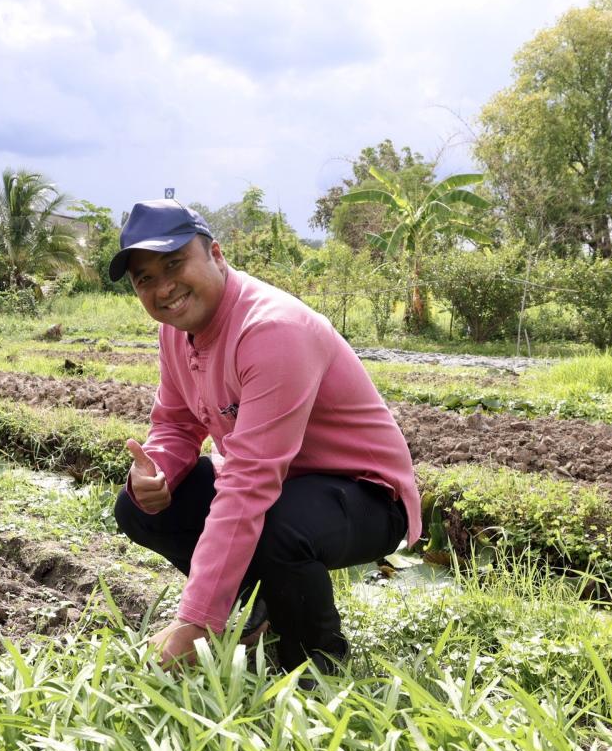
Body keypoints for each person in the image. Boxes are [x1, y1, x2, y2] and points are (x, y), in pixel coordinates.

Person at [111, 199, 422, 674]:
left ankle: (314, 666)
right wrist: (158, 470)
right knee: (139, 507)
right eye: (145, 279)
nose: (164, 287)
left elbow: (250, 483)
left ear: (215, 254)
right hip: (283, 487)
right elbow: (176, 422)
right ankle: (256, 604)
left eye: (174, 264)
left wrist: (195, 622)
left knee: (277, 522)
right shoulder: (177, 331)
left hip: (365, 495)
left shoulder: (272, 330)